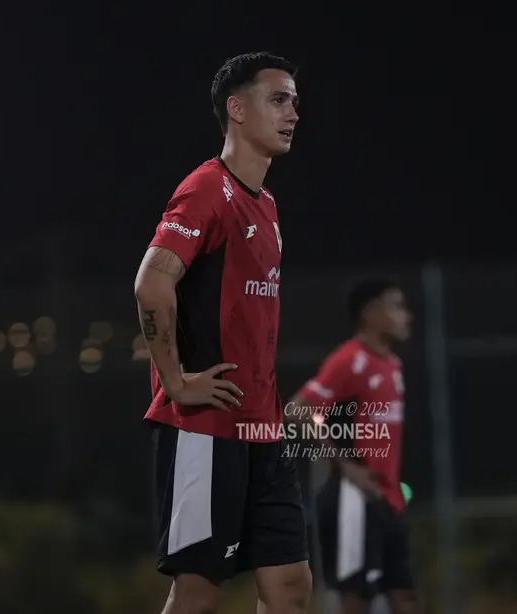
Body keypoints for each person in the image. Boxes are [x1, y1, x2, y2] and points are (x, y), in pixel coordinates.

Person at [134, 52, 309, 614]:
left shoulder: (268, 206)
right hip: (208, 429)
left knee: (290, 590)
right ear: (236, 109)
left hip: (264, 430)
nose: (293, 113)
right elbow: (151, 285)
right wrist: (177, 382)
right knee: (199, 595)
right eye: (277, 99)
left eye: (295, 102)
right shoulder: (208, 189)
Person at [289, 278, 418, 614]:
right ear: (370, 314)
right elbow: (299, 411)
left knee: (405, 597)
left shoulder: (393, 365)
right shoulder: (349, 360)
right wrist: (345, 466)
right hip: (354, 499)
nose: (406, 316)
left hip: (388, 498)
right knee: (356, 598)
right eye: (397, 306)